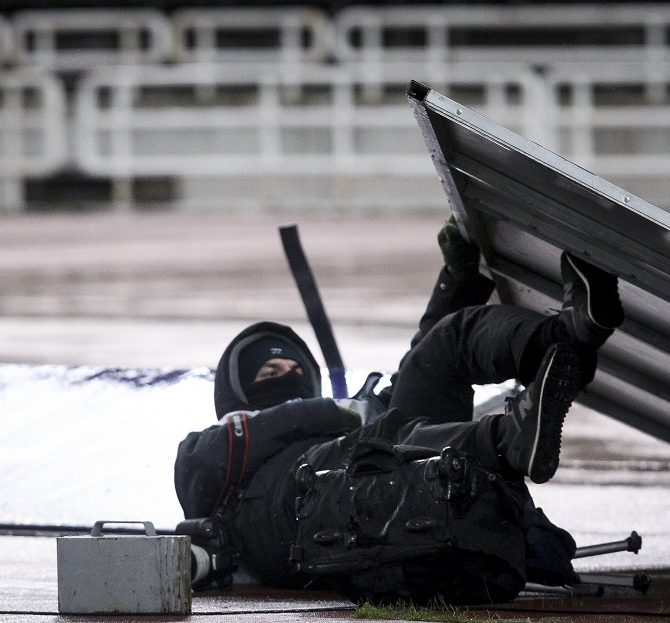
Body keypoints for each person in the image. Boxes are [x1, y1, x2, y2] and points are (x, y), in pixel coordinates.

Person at [174, 217, 624, 605]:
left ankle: (567, 334)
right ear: (237, 394)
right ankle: (509, 436)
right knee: (384, 440)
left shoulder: (356, 418)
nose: (288, 375)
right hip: (305, 506)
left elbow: (416, 373)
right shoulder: (212, 452)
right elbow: (244, 445)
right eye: (270, 370)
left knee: (443, 345)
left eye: (295, 368)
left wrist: (458, 281)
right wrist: (340, 413)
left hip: (375, 463)